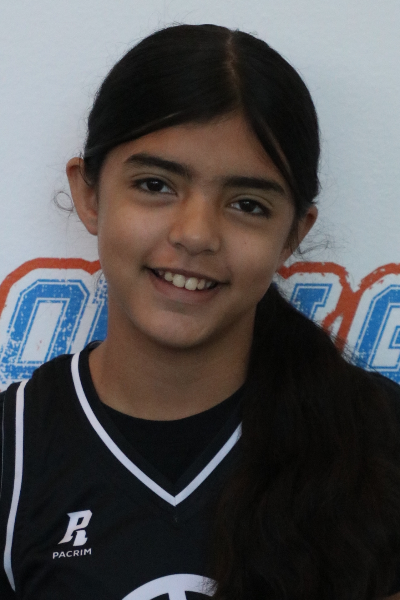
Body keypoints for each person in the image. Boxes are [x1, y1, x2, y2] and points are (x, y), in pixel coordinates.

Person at [1, 23, 400, 600]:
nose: (195, 234)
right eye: (155, 184)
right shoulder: (16, 448)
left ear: (293, 234)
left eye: (247, 204)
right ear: (89, 194)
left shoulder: (379, 440)